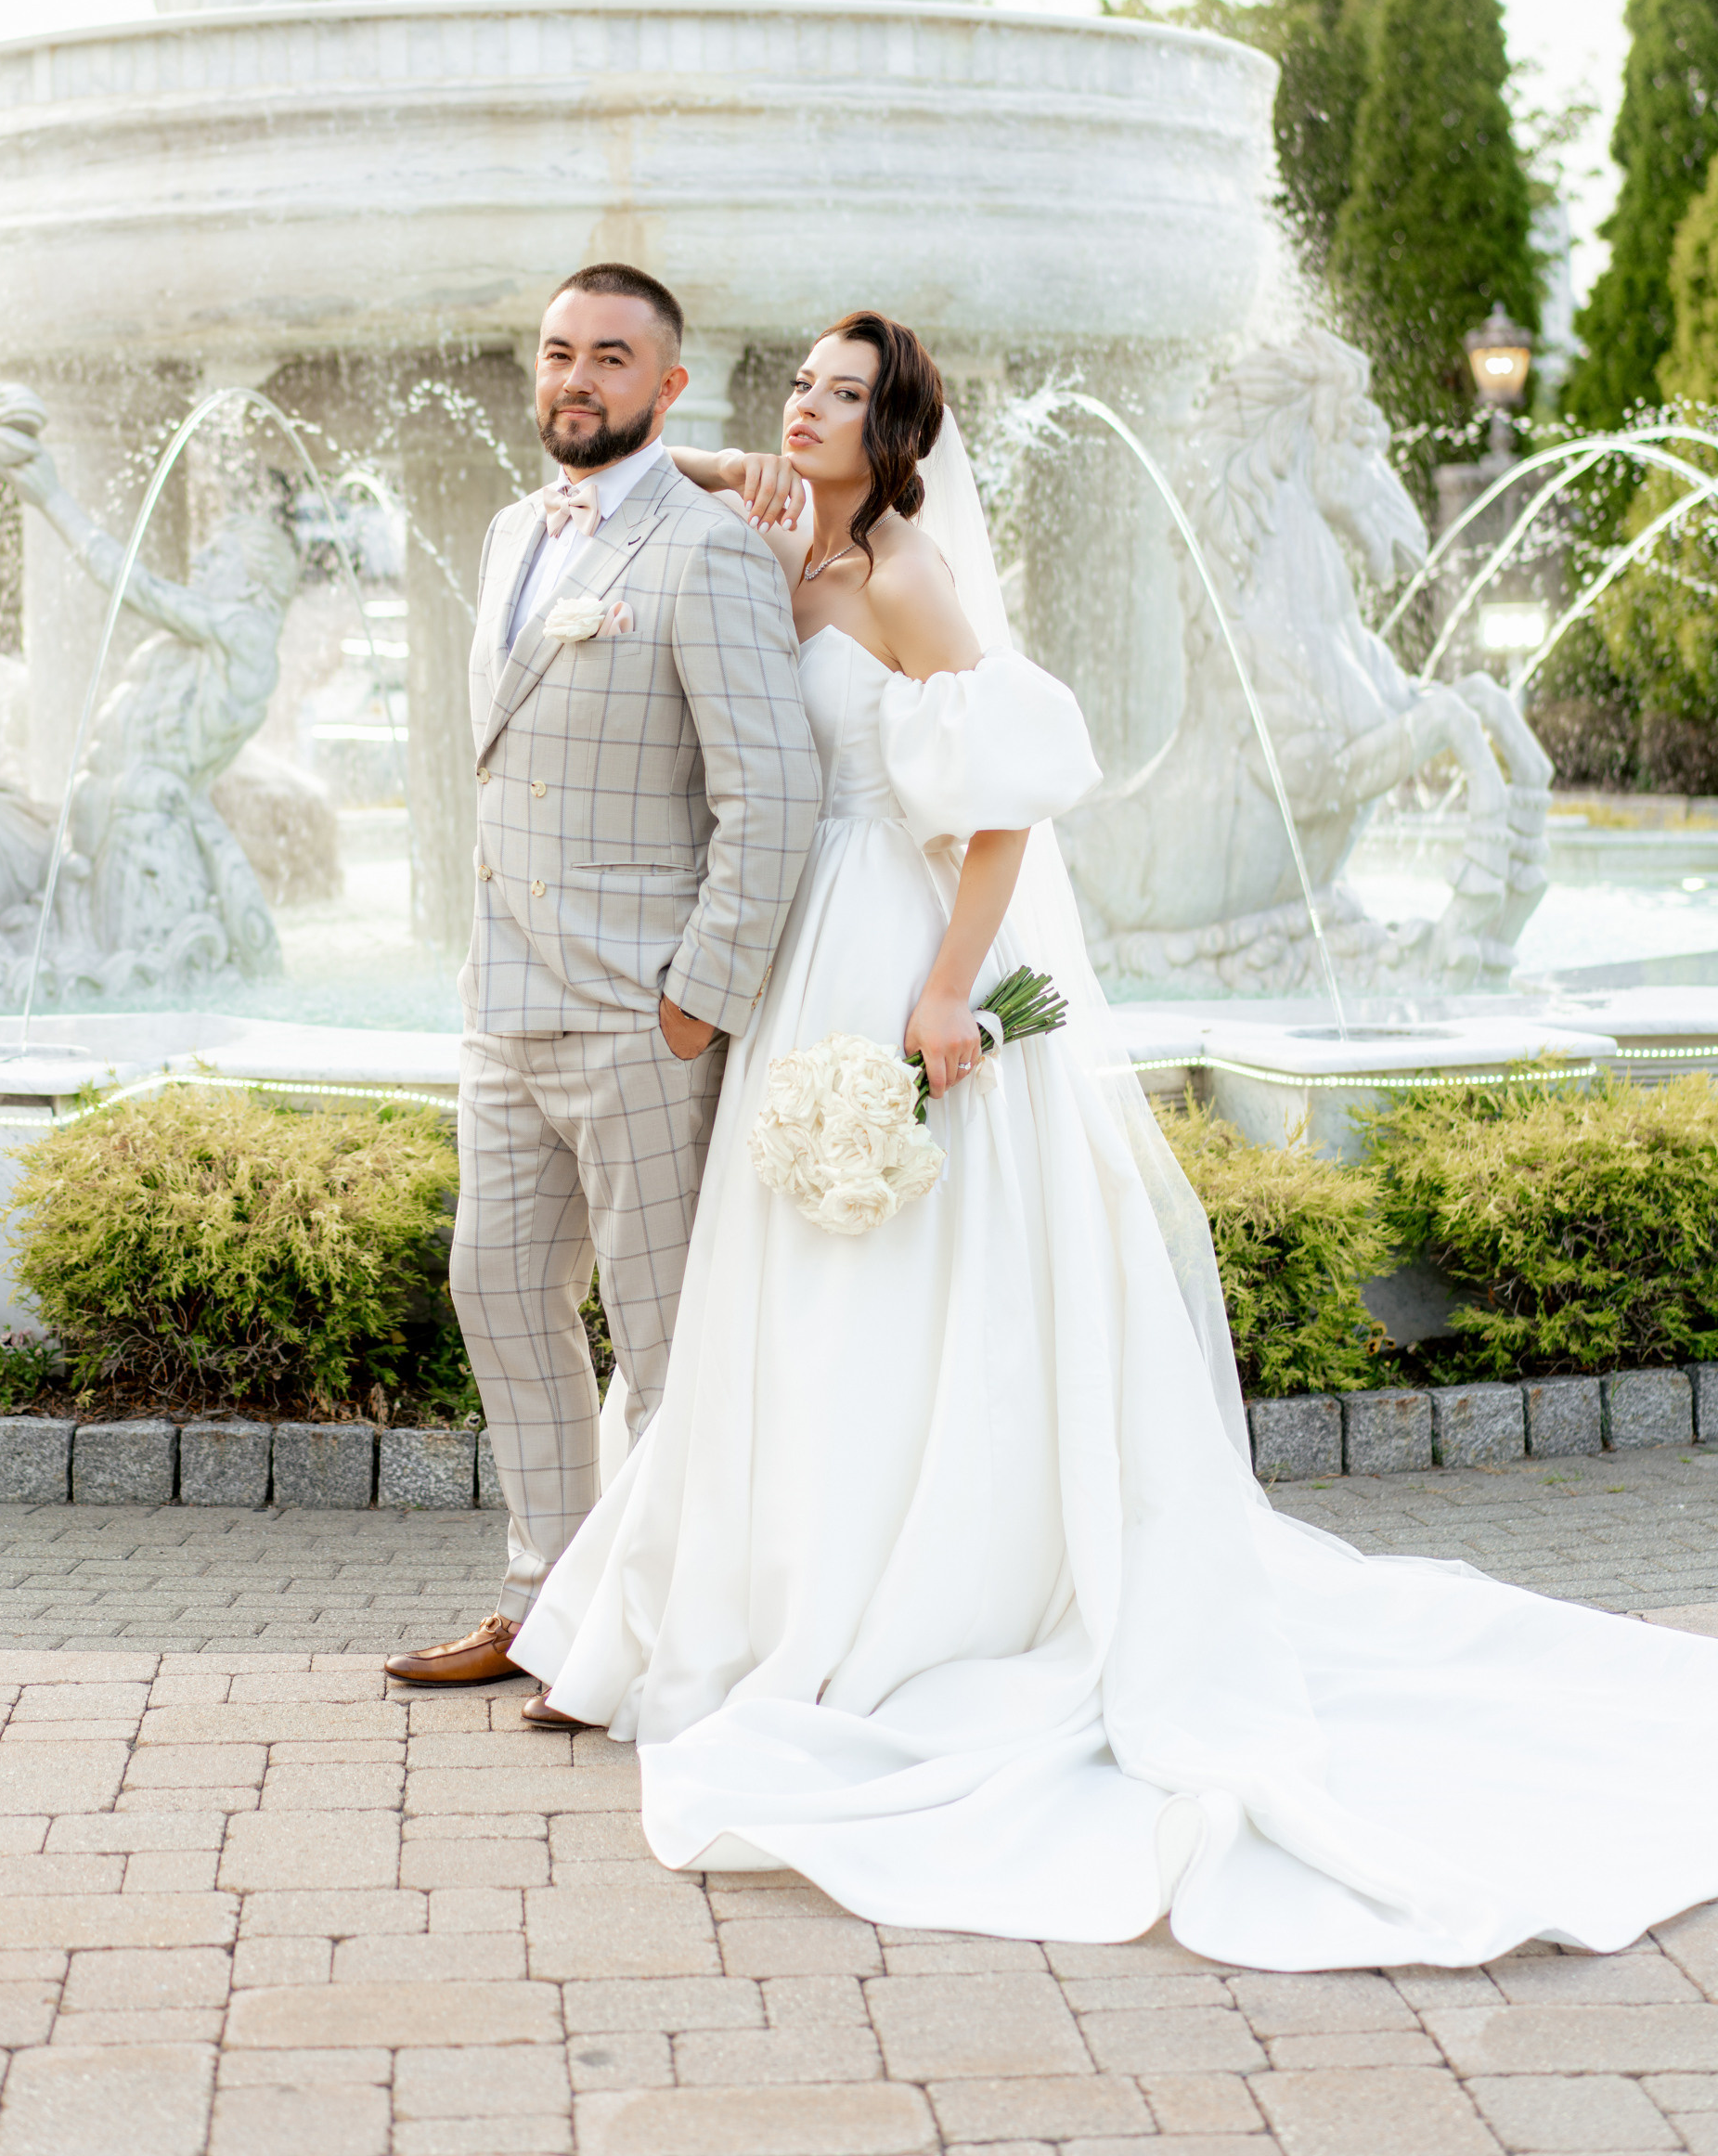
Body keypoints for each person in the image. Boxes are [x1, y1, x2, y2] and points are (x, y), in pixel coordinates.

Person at [510, 309, 1718, 1967]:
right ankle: (786, 1586)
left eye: (844, 394)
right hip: (806, 951)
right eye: (798, 383)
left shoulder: (913, 573)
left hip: (900, 945)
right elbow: (708, 461)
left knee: (909, 1270)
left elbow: (1008, 800)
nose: (804, 409)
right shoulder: (788, 528)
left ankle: (922, 1604)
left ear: (902, 424)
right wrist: (706, 447)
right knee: (794, 1275)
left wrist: (946, 993)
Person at [386, 264, 821, 1690]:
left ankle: (677, 1635)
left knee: (668, 1332)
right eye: (560, 352)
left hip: (645, 1014)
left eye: (613, 358)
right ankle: (551, 1609)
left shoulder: (711, 554)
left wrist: (698, 996)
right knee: (496, 1289)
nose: (578, 377)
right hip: (502, 1003)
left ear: (668, 384)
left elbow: (774, 791)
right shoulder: (517, 527)